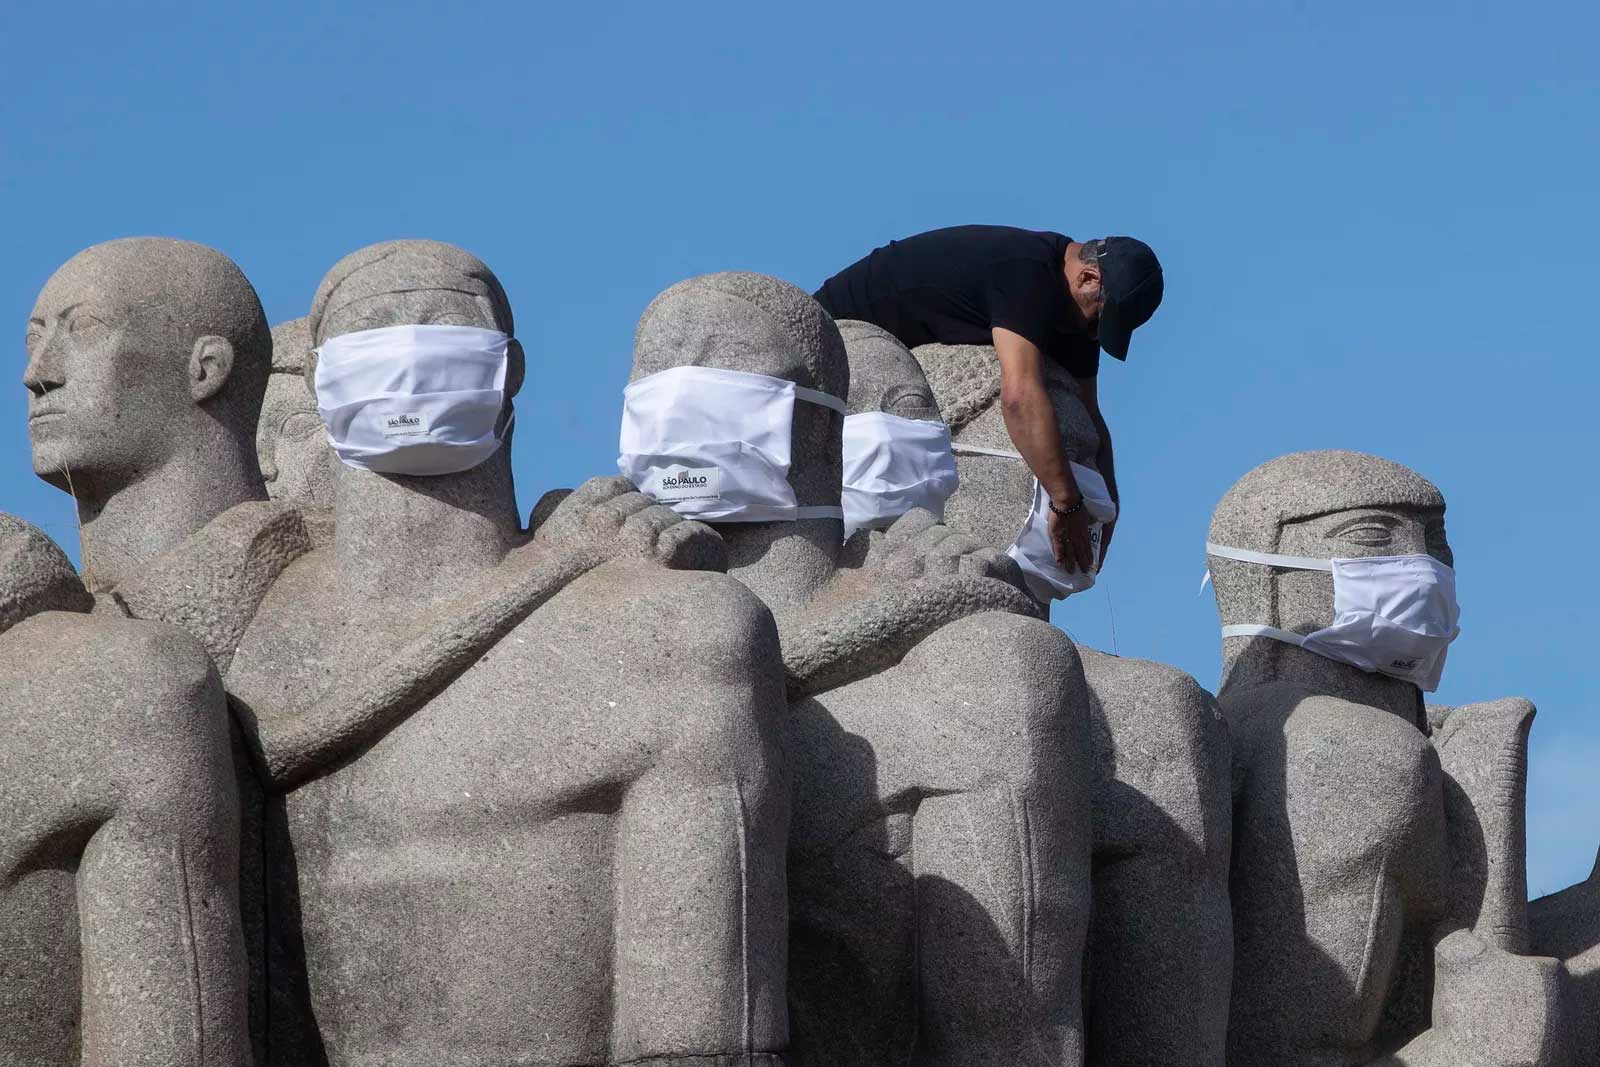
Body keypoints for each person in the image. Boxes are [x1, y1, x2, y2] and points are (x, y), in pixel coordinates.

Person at [815, 224, 1162, 575]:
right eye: (1099, 320)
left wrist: (1107, 508)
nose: (1094, 334)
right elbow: (1020, 399)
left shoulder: (1077, 315)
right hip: (835, 350)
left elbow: (1091, 418)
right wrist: (1067, 502)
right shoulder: (1028, 274)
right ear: (1088, 278)